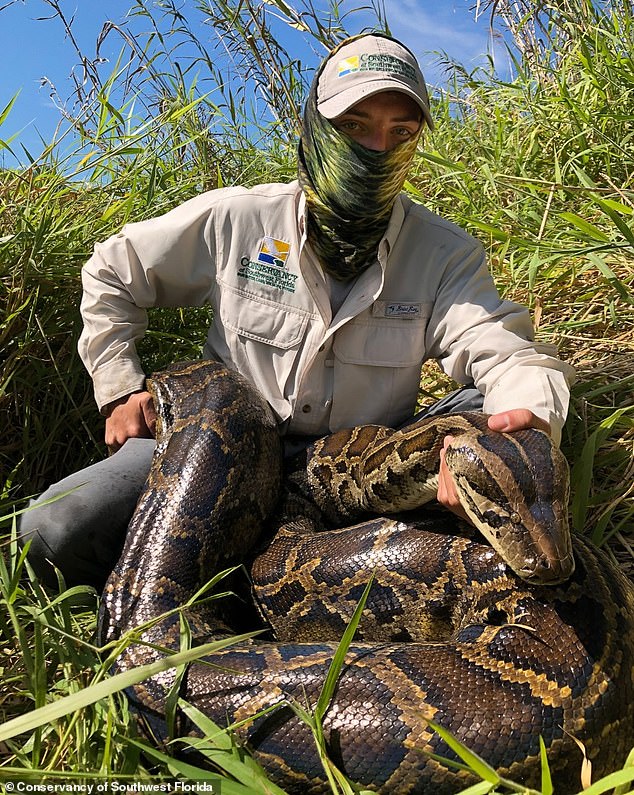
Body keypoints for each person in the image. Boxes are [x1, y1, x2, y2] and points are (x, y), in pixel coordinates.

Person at [19, 33, 574, 590]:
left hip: (359, 459)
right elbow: (114, 269)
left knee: (489, 412)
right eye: (355, 126)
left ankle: (286, 577)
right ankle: (212, 584)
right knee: (53, 532)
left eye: (400, 132)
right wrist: (119, 385)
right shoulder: (237, 220)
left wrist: (521, 429)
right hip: (222, 446)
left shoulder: (442, 252)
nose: (378, 148)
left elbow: (505, 354)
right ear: (314, 127)